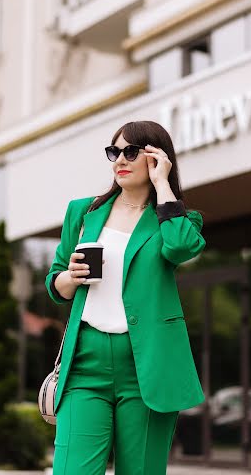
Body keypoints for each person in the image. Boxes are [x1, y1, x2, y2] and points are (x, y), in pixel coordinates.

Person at [45, 120, 206, 475]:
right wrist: (70, 278)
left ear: (156, 158)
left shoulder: (177, 219)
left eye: (131, 151)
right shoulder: (84, 212)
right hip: (86, 364)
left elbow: (181, 247)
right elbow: (54, 284)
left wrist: (163, 185)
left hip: (146, 365)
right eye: (114, 151)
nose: (120, 158)